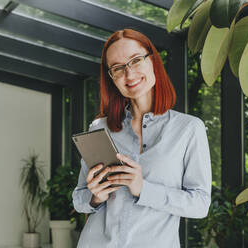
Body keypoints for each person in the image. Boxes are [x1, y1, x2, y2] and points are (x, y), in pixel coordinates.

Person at [72, 28, 212, 248]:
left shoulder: (189, 129)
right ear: (111, 78)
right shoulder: (100, 127)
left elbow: (200, 205)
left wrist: (143, 189)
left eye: (136, 60)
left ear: (153, 61)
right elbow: (79, 199)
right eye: (117, 68)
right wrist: (95, 196)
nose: (129, 74)